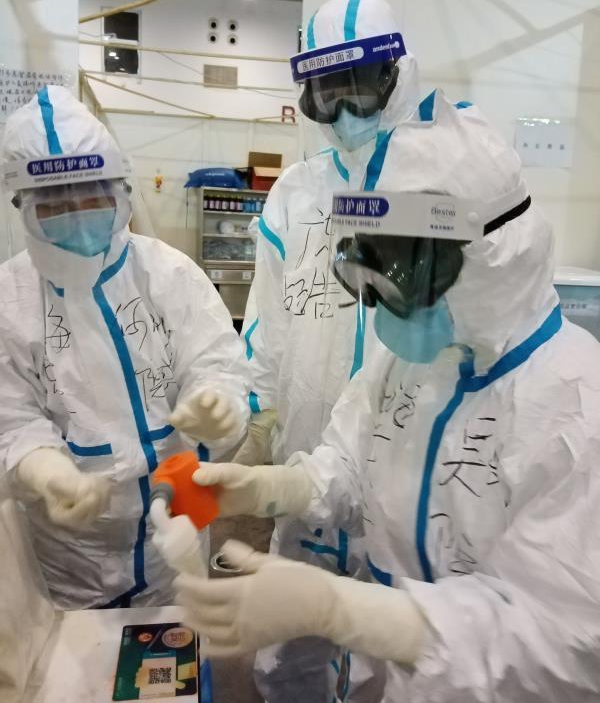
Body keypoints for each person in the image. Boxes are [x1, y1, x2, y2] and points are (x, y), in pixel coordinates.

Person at [174, 89, 600, 702]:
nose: (377, 300)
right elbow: (349, 466)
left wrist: (349, 611)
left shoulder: (575, 406)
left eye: (400, 271)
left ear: (487, 257)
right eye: (364, 268)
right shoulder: (411, 359)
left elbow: (564, 641)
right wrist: (274, 487)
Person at [236, 0, 421, 700]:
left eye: (360, 88)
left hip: (401, 480)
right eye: (325, 93)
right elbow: (267, 325)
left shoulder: (440, 184)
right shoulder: (295, 194)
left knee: (391, 659)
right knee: (288, 652)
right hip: (307, 462)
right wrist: (252, 418)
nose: (343, 113)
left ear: (397, 76)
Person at [0, 86, 249, 610]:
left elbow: (216, 362)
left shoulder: (169, 274)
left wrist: (218, 404)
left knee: (179, 642)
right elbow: (12, 418)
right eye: (55, 205)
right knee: (80, 654)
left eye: (92, 197)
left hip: (175, 530)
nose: (77, 216)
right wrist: (44, 470)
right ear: (22, 207)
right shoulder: (10, 300)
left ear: (120, 191)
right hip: (72, 553)